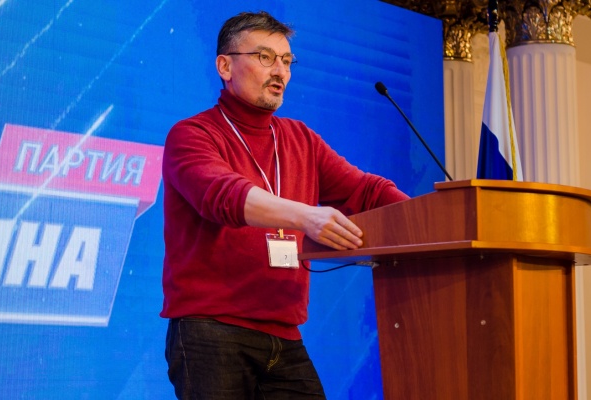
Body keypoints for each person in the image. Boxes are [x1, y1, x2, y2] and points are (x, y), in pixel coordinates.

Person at [161, 10, 410, 400]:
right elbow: (224, 196)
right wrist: (306, 216)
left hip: (285, 336)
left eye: (287, 61)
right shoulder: (192, 135)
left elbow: (366, 192)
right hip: (211, 331)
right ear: (225, 66)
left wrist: (438, 217)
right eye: (265, 57)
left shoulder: (300, 139)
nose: (280, 71)